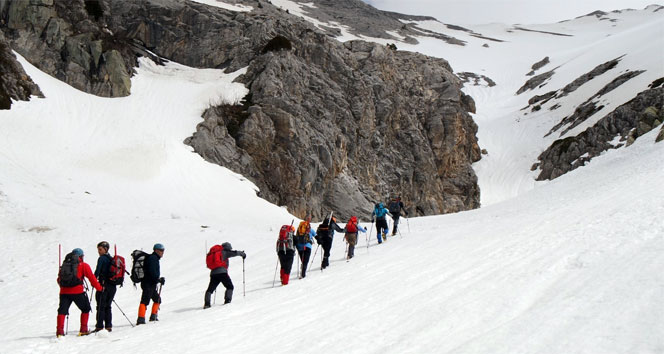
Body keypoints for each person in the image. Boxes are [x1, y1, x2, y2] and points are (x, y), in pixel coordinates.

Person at [56, 248, 103, 337]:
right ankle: (83, 330)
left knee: (62, 311)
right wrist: (100, 288)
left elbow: (59, 279)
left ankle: (59, 331)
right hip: (77, 291)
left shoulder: (64, 265)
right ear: (81, 256)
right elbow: (92, 279)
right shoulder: (83, 265)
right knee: (85, 308)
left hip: (64, 292)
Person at [204, 242, 246, 308]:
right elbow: (235, 253)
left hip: (213, 273)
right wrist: (243, 254)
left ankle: (207, 304)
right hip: (222, 273)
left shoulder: (215, 252)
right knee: (230, 286)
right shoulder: (225, 252)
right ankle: (227, 301)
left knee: (210, 289)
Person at [137, 243, 165, 325]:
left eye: (163, 251)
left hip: (150, 283)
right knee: (145, 300)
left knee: (157, 299)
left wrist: (157, 280)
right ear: (156, 250)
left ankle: (153, 316)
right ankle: (141, 319)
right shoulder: (153, 259)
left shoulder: (154, 258)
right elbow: (152, 272)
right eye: (161, 250)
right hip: (148, 283)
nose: (162, 252)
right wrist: (158, 279)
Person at [94, 241, 117, 332]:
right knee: (108, 306)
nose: (99, 252)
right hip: (112, 286)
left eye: (100, 249)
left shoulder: (102, 259)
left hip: (103, 285)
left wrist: (94, 280)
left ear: (105, 249)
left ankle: (99, 326)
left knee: (100, 306)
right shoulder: (112, 259)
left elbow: (97, 271)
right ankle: (108, 326)